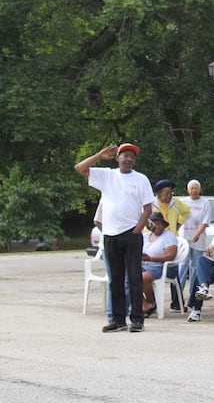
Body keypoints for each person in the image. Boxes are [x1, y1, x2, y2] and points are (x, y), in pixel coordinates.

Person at [75, 143, 154, 333]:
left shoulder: (141, 179)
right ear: (117, 158)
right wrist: (99, 155)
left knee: (134, 278)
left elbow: (148, 208)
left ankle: (137, 320)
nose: (127, 159)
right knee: (115, 280)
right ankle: (118, 320)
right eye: (124, 155)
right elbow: (80, 168)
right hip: (110, 235)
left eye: (131, 157)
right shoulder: (107, 175)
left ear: (134, 161)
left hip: (131, 234)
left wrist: (137, 229)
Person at [173, 179, 211, 312]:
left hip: (198, 240)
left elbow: (205, 222)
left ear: (199, 189)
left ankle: (192, 299)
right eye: (191, 188)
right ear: (188, 190)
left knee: (195, 268)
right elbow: (177, 219)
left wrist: (197, 234)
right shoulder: (184, 202)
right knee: (182, 267)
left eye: (196, 188)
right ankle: (177, 299)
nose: (194, 190)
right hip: (185, 238)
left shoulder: (205, 203)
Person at [140, 212, 178, 317]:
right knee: (127, 275)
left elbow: (171, 256)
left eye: (158, 223)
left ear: (162, 224)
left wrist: (151, 258)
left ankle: (150, 301)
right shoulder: (145, 236)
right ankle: (144, 303)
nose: (155, 226)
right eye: (152, 223)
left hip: (161, 267)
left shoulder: (168, 236)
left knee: (142, 277)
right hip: (143, 265)